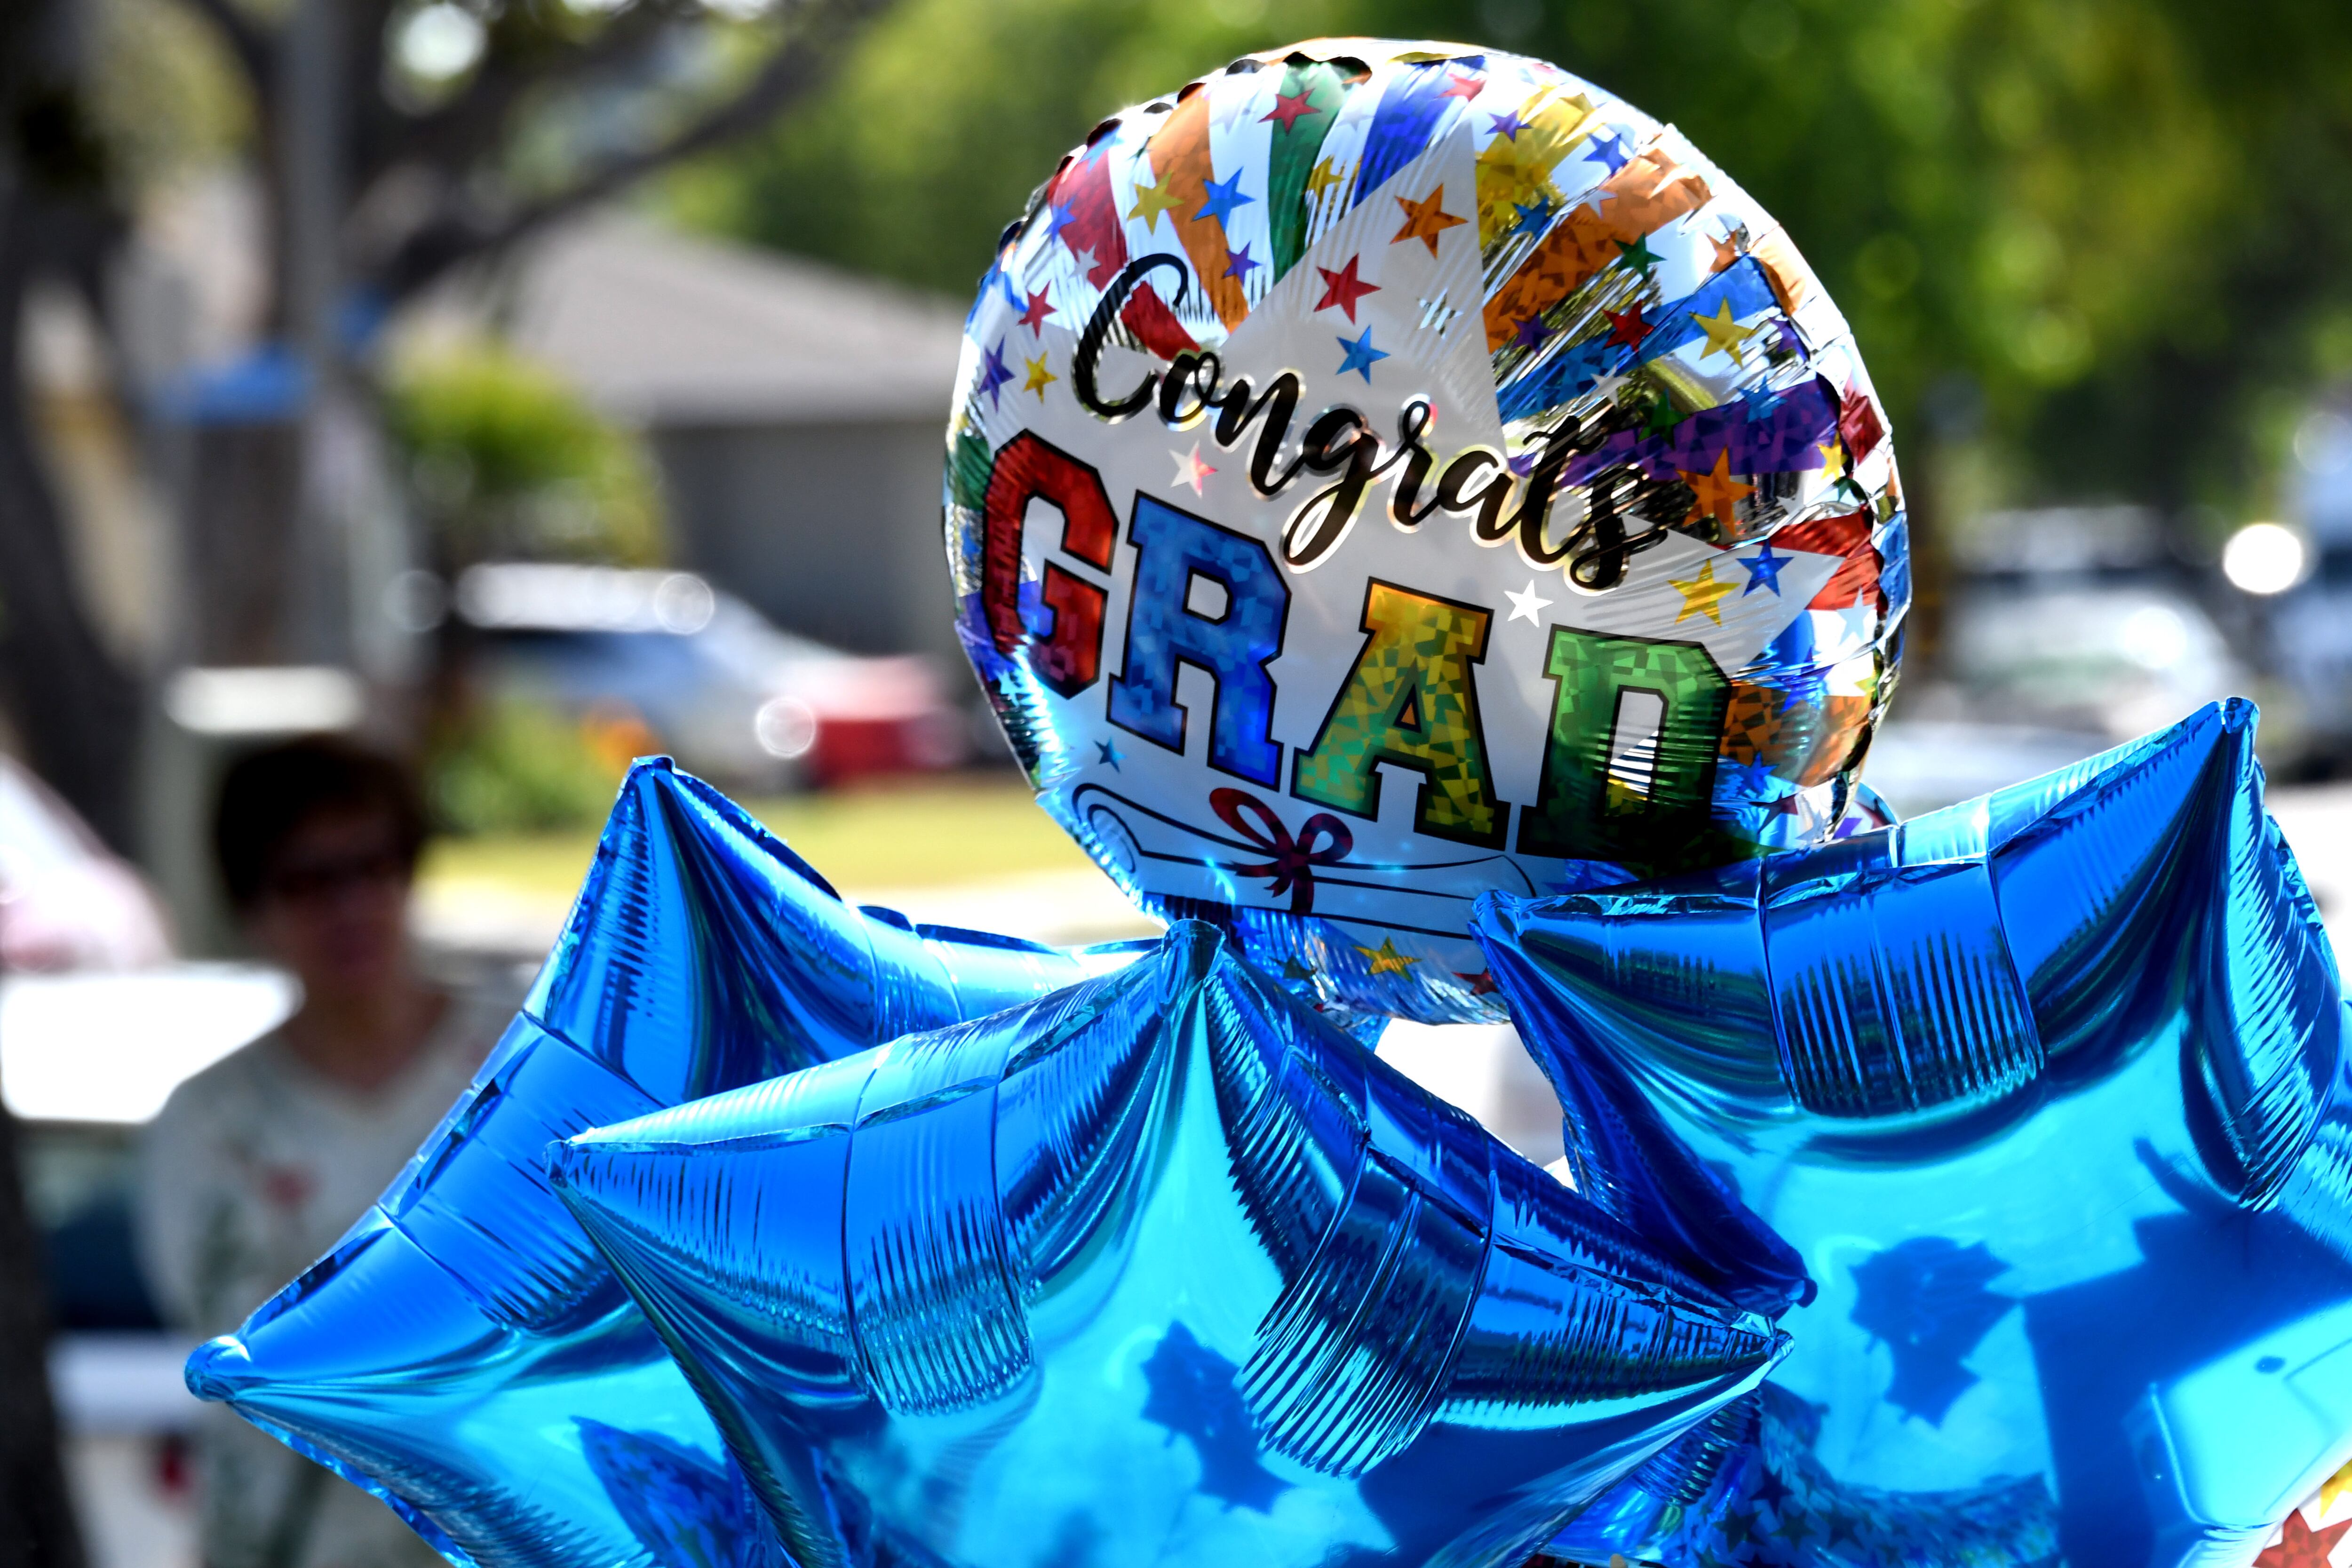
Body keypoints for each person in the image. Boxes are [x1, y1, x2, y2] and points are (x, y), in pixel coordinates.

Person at [137, 738, 507, 1568]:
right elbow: (247, 1361)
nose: (349, 906)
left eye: (370, 866)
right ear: (250, 907)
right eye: (306, 882)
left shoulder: (520, 1067)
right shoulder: (207, 1122)